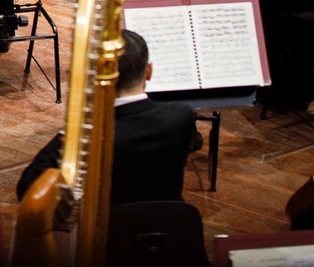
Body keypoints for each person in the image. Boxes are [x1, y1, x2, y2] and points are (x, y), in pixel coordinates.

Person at [17, 29, 198, 205]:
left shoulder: (89, 136)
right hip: (171, 227)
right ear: (149, 71)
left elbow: (27, 187)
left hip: (110, 232)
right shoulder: (181, 117)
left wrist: (72, 129)